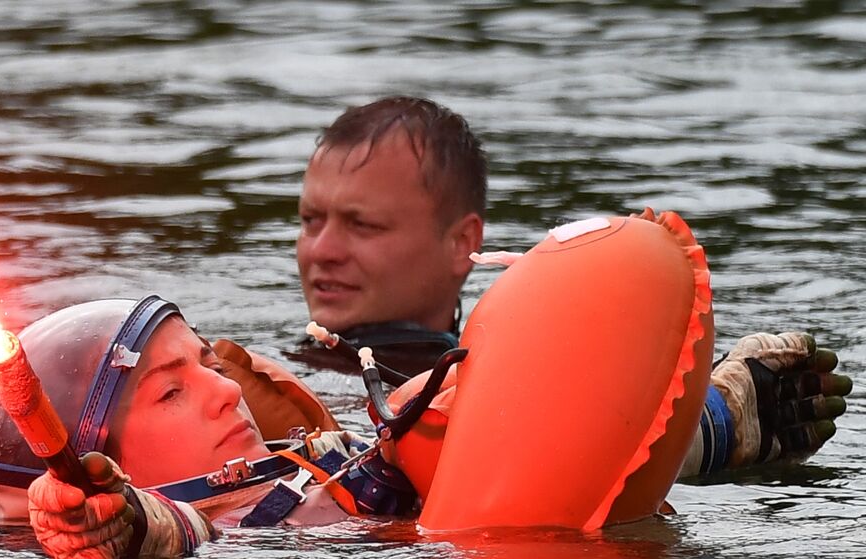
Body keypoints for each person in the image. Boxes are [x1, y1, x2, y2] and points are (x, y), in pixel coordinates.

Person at [0, 294, 837, 559]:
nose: (223, 395)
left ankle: (713, 428)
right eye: (171, 396)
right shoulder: (225, 529)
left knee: (431, 405)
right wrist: (123, 524)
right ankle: (707, 436)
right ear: (114, 459)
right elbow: (184, 536)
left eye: (206, 367)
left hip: (475, 498)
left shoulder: (313, 456)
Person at [289, 96, 850, 472]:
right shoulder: (250, 380)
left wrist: (696, 424)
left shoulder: (503, 382)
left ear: (464, 243)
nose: (322, 251)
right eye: (311, 221)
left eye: (363, 225)